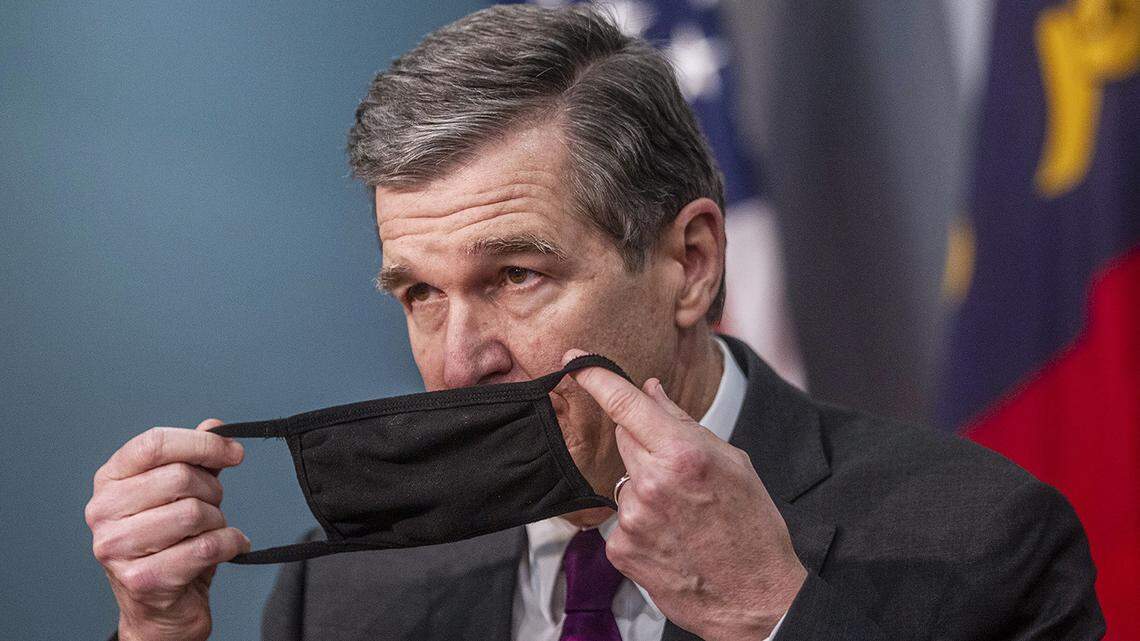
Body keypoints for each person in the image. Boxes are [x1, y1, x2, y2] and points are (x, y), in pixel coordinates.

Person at [85, 5, 1105, 640]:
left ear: (690, 264)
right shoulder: (347, 593)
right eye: (419, 292)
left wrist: (780, 618)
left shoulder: (984, 538)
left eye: (517, 274)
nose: (458, 359)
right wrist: (157, 630)